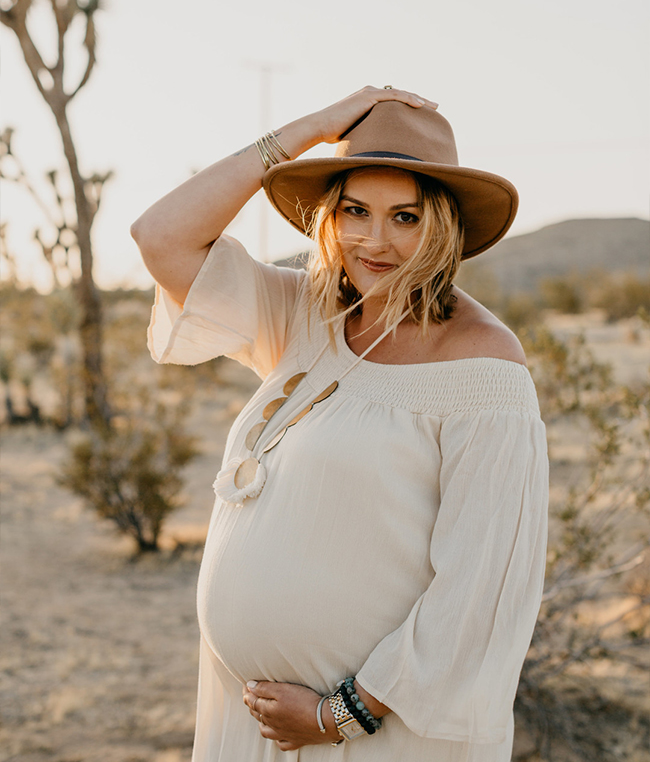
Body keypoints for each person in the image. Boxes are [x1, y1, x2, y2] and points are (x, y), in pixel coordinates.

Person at [131, 86, 549, 761]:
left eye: (404, 218)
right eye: (354, 209)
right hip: (253, 721)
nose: (374, 241)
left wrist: (338, 715)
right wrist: (313, 130)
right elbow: (161, 237)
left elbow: (481, 590)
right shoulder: (309, 315)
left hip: (377, 734)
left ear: (443, 224)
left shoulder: (485, 365)